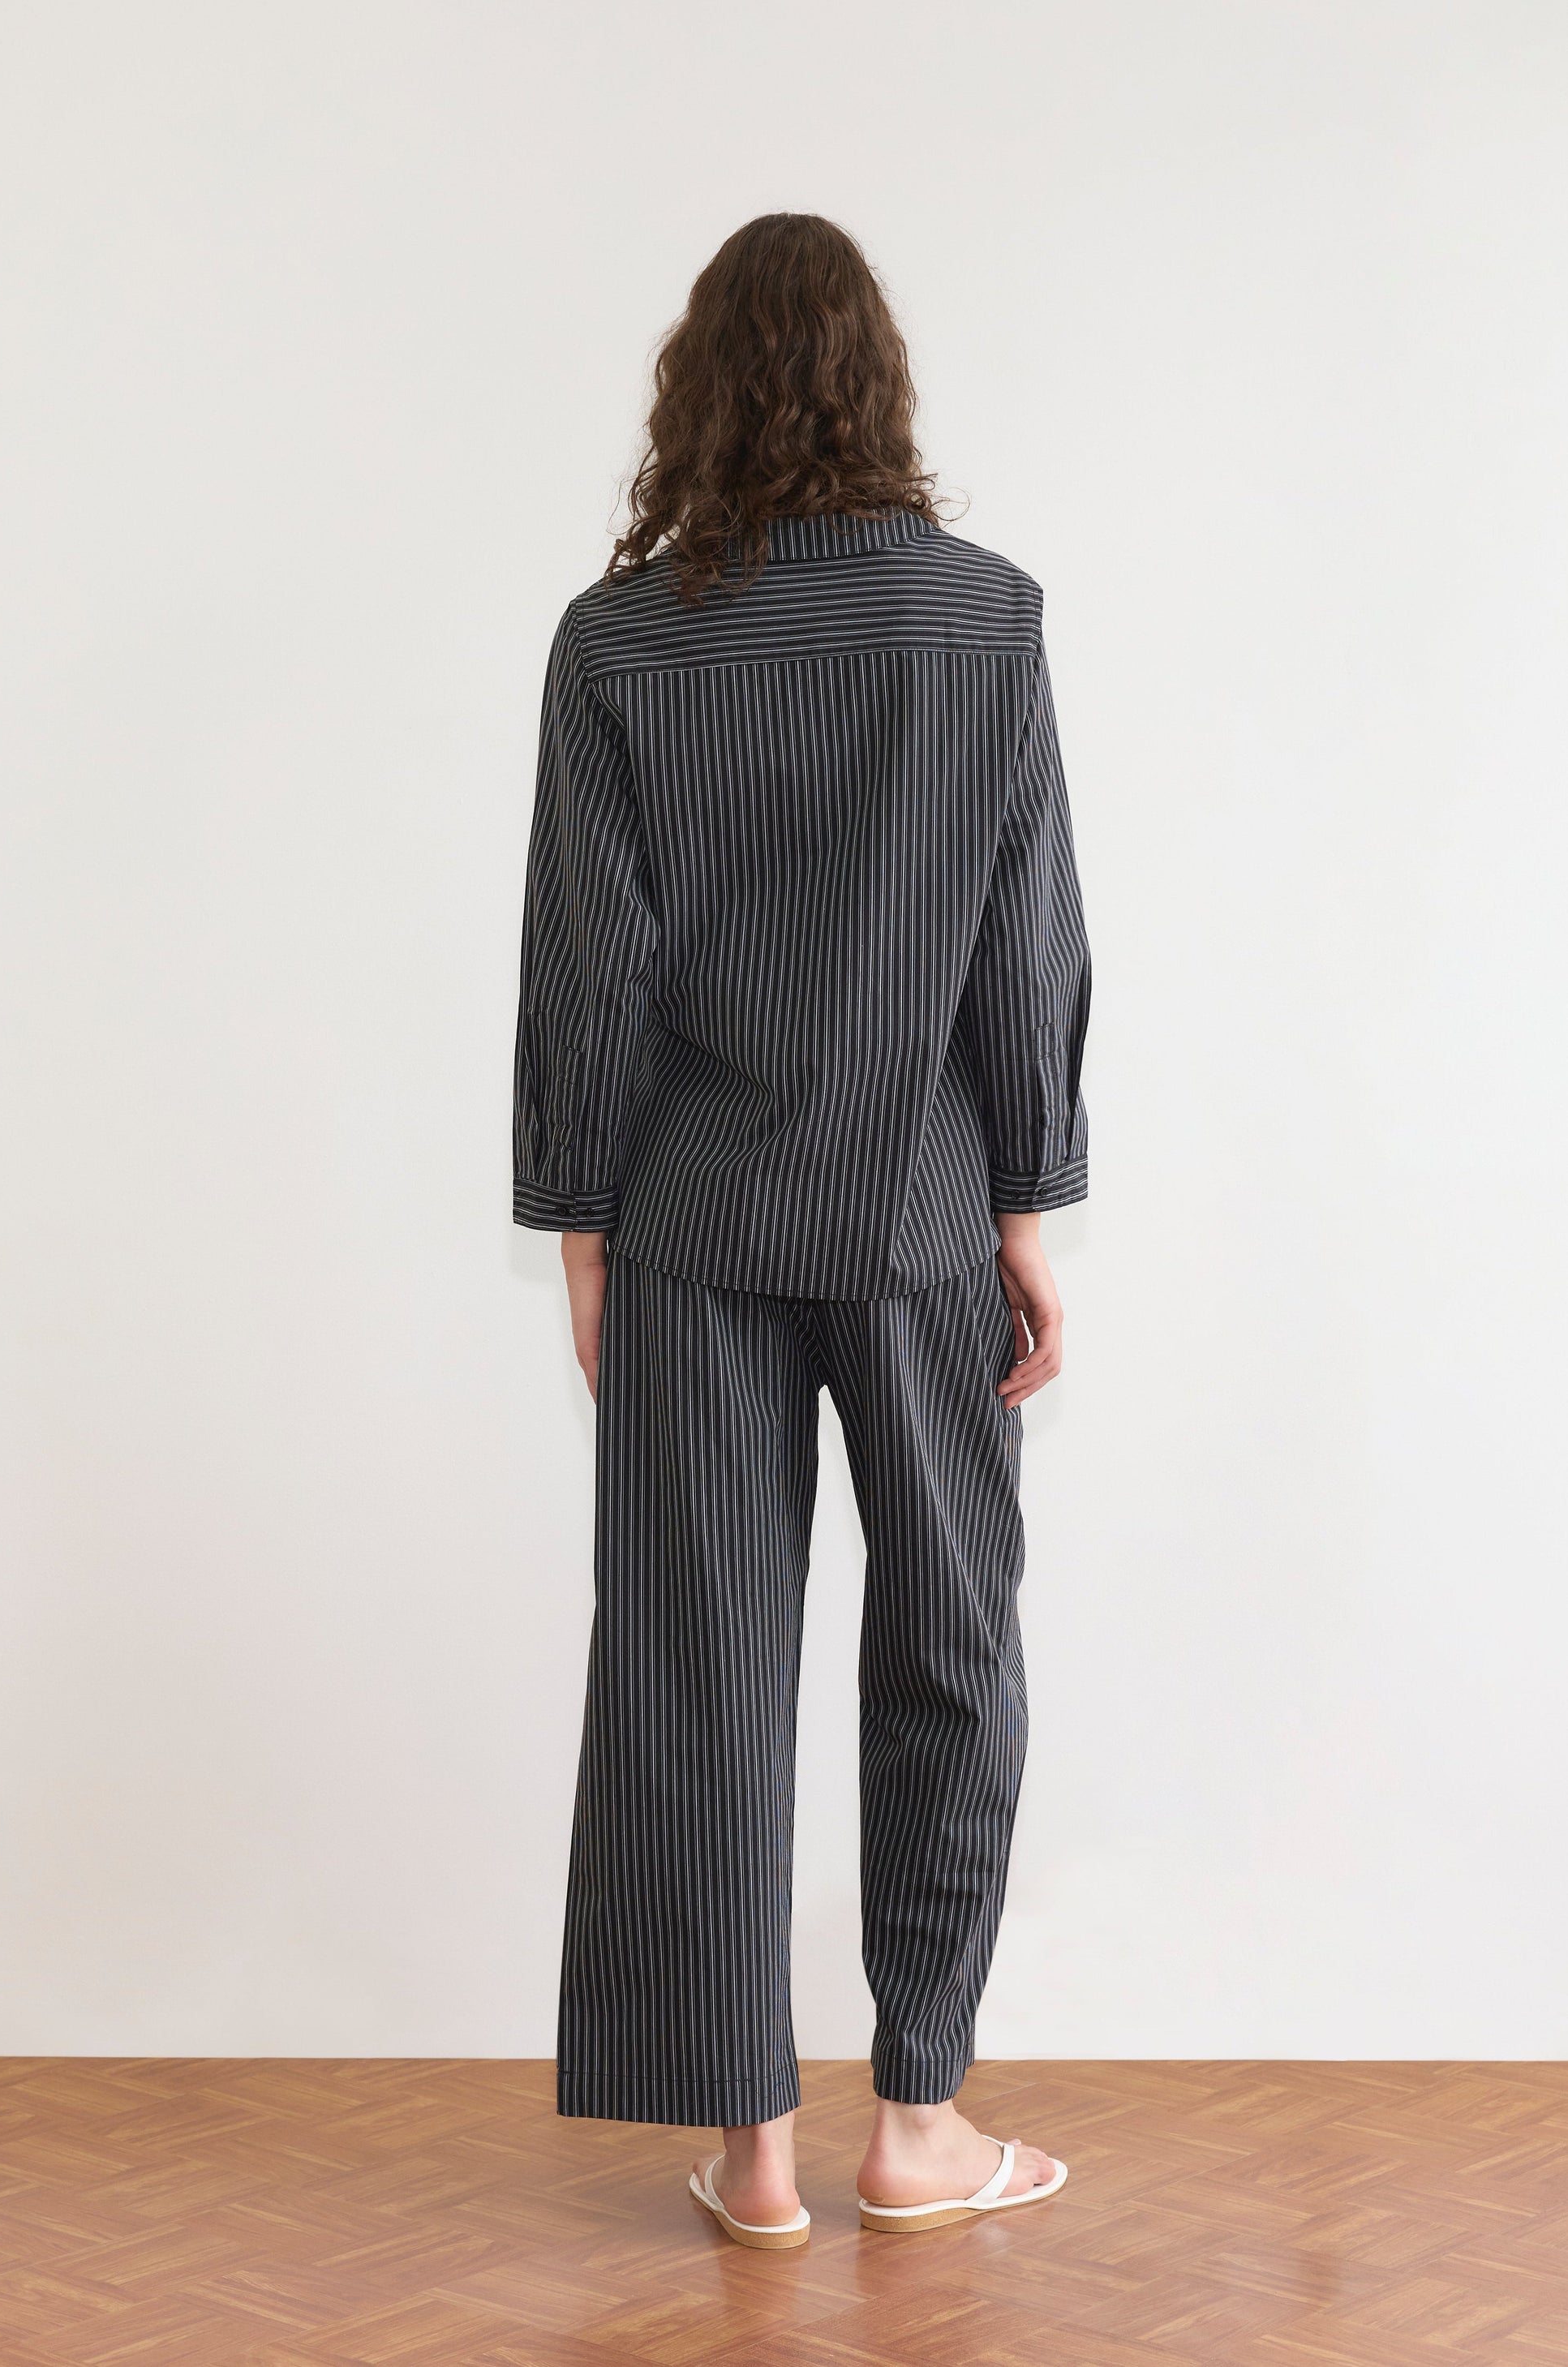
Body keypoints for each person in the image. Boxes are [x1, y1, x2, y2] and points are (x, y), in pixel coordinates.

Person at [511, 213, 1090, 2246]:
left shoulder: (618, 642)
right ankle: (915, 2118)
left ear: (698, 393)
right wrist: (1027, 1205)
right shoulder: (982, 618)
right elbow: (1025, 942)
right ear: (878, 384)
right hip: (921, 1211)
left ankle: (750, 2152)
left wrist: (582, 1230)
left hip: (692, 1221)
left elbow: (587, 964)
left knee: (693, 1667)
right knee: (949, 1646)